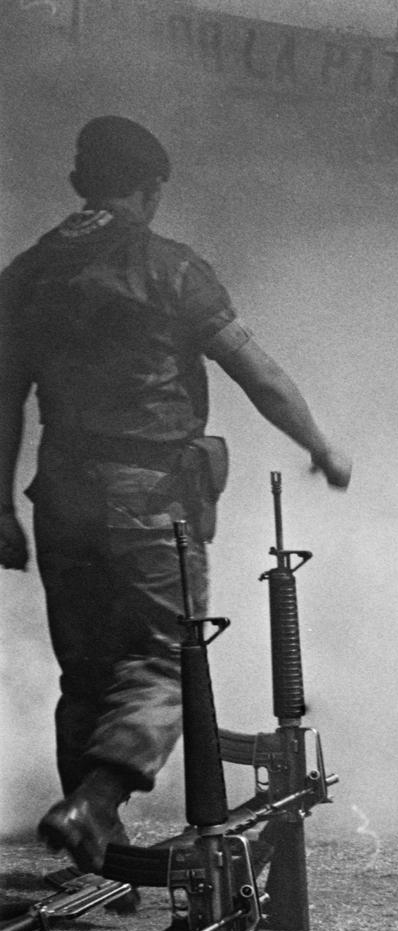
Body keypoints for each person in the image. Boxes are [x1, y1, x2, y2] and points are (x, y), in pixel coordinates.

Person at [0, 115, 351, 872]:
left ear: (78, 184)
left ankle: (99, 856)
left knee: (86, 674)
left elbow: (2, 402)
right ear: (151, 189)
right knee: (166, 659)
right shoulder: (172, 269)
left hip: (59, 497)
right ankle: (94, 804)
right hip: (150, 497)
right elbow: (255, 371)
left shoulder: (24, 276)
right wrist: (318, 443)